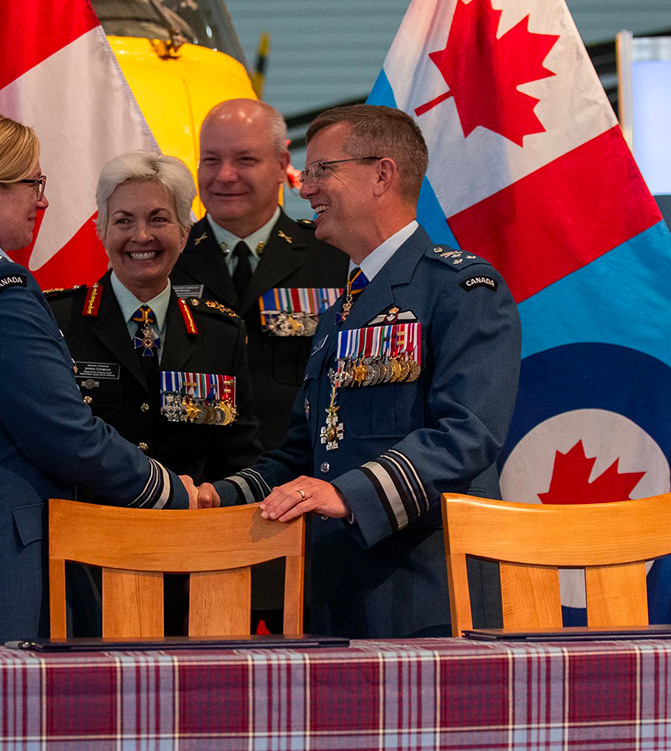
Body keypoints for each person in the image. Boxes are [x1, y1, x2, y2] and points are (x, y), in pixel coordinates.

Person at [198, 105, 521, 639]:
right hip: (332, 589)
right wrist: (220, 496)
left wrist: (352, 494)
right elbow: (304, 452)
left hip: (427, 589)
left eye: (323, 169)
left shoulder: (460, 289)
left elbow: (467, 435)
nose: (306, 187)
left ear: (382, 174)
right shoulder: (340, 309)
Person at [0, 108, 198, 647]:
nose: (43, 199)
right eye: (33, 182)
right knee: (9, 726)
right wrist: (168, 491)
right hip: (1, 565)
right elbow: (66, 434)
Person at [47, 151, 261, 482]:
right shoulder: (56, 321)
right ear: (101, 231)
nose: (141, 236)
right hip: (84, 525)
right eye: (123, 221)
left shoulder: (221, 334)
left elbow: (239, 459)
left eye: (158, 219)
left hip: (188, 526)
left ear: (184, 233)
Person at [171, 98, 349, 452]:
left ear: (282, 163)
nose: (224, 175)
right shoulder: (164, 259)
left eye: (245, 159)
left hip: (300, 476)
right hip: (193, 483)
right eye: (211, 160)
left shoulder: (334, 259)